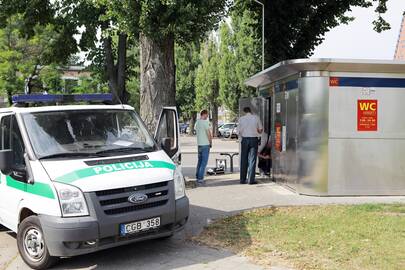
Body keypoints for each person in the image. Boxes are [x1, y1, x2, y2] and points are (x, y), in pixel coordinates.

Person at [238, 107, 263, 184]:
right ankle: (251, 180)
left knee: (244, 159)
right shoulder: (256, 118)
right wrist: (257, 131)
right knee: (252, 159)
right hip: (253, 140)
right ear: (250, 111)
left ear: (244, 112)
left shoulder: (241, 119)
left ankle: (242, 180)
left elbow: (238, 131)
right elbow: (260, 130)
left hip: (245, 140)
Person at [195, 109, 212, 185]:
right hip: (205, 144)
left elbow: (196, 130)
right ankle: (200, 178)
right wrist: (210, 142)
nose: (207, 116)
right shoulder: (205, 122)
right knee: (204, 162)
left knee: (199, 161)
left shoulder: (197, 123)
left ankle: (197, 176)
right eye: (207, 115)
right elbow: (208, 133)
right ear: (204, 114)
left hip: (199, 144)